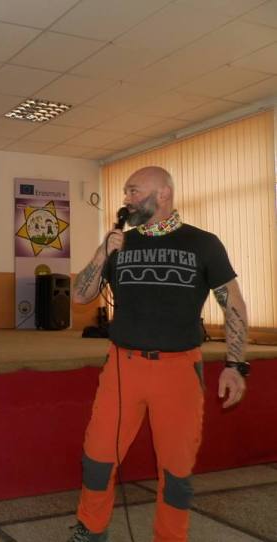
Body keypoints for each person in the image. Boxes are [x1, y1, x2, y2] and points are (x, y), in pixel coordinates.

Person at [68, 166, 249, 542]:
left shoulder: (203, 243)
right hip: (123, 367)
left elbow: (232, 302)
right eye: (125, 192)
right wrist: (104, 251)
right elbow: (81, 295)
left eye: (133, 191)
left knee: (176, 470)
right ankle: (91, 530)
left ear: (163, 193)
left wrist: (235, 364)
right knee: (97, 457)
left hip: (178, 371)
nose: (126, 199)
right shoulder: (121, 243)